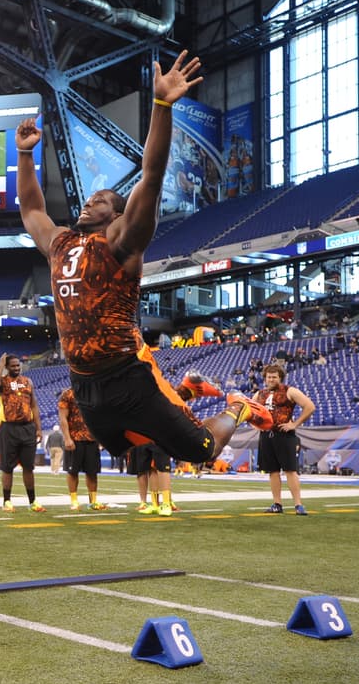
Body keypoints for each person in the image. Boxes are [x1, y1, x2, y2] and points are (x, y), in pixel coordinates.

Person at [14, 50, 272, 472]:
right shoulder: (60, 243)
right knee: (128, 445)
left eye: (98, 200)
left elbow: (151, 174)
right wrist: (25, 155)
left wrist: (163, 105)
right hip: (84, 381)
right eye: (88, 197)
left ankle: (239, 407)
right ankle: (186, 391)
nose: (88, 202)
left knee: (200, 450)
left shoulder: (122, 239)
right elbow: (31, 211)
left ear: (116, 215)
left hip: (128, 373)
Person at [253, 364, 315, 515]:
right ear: (265, 378)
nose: (271, 379)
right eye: (269, 377)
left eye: (274, 377)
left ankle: (298, 505)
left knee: (290, 470)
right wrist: (255, 425)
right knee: (272, 471)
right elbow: (249, 410)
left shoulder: (289, 391)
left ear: (280, 378)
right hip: (266, 436)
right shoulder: (259, 394)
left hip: (284, 435)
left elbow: (310, 406)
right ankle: (277, 504)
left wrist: (294, 424)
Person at [0, 353, 45, 512]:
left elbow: (34, 405)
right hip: (8, 428)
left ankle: (32, 501)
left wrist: (38, 428)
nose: (16, 368)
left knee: (29, 467)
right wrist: (0, 365)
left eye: (18, 365)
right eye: (12, 366)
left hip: (28, 428)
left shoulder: (28, 382)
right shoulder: (2, 382)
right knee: (7, 467)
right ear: (7, 367)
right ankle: (7, 501)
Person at [57, 387, 106, 511]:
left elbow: (100, 417)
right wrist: (67, 438)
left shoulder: (94, 393)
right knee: (73, 472)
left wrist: (102, 438)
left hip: (92, 439)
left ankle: (93, 501)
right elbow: (63, 418)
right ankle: (74, 501)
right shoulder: (67, 394)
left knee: (92, 472)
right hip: (75, 439)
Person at [132, 441, 174, 516]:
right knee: (151, 468)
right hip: (146, 435)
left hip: (159, 435)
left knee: (163, 466)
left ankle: (166, 503)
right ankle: (155, 504)